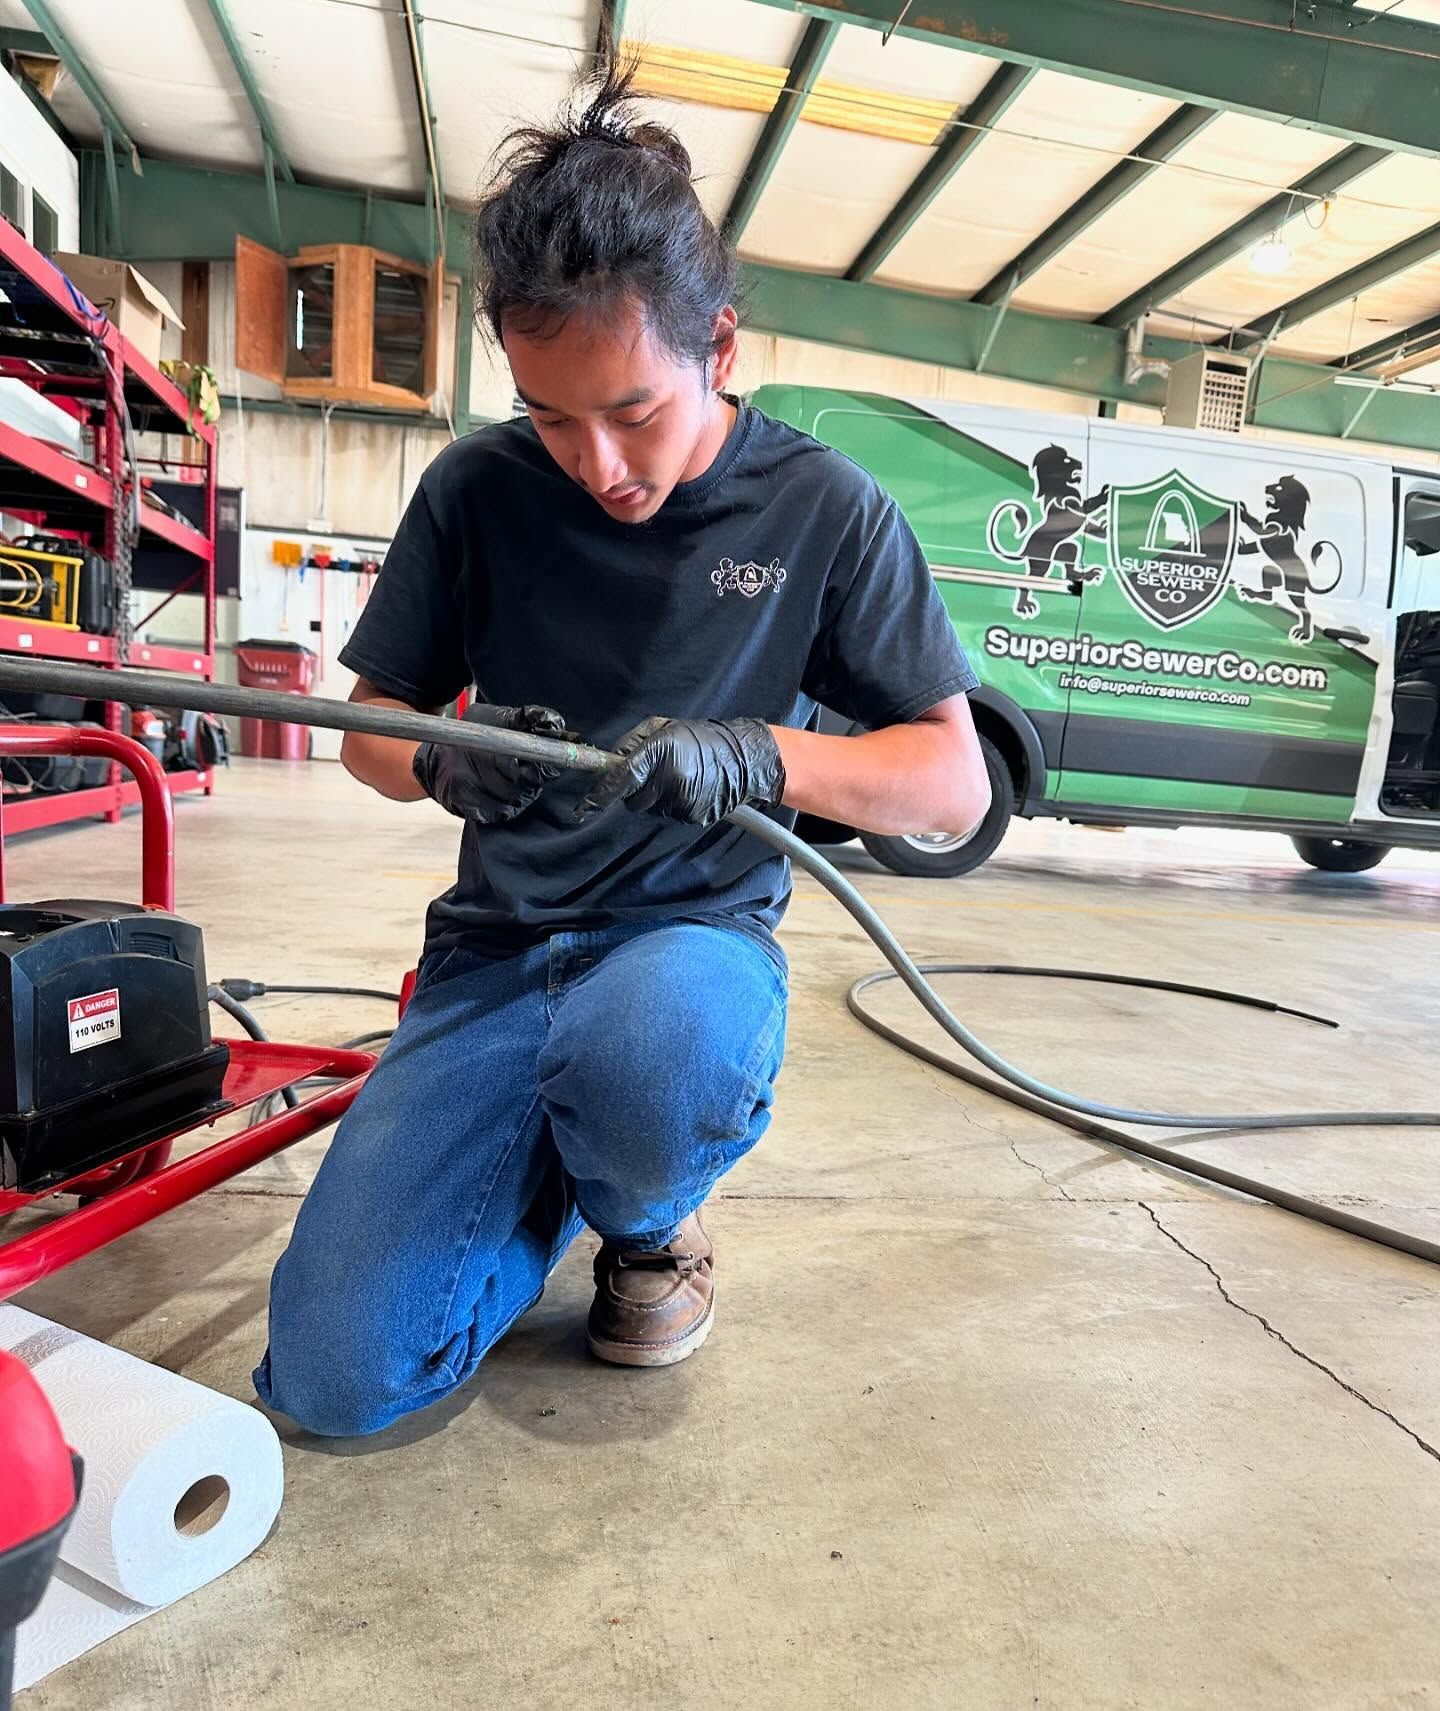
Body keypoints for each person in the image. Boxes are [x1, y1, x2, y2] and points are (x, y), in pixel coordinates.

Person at [253, 65, 990, 1438]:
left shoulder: (823, 509)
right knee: (339, 1382)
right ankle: (544, 1170)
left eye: (635, 412)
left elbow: (951, 783)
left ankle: (647, 1220)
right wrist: (443, 757)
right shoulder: (477, 489)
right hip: (496, 954)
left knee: (653, 1054)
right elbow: (368, 732)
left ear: (720, 350)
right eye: (552, 417)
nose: (598, 464)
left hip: (685, 949)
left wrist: (762, 756)